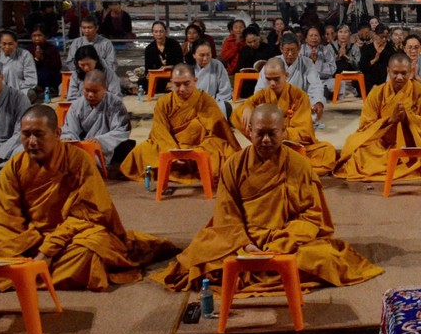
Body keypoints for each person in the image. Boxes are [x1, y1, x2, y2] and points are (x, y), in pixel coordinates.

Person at [150, 103, 382, 295]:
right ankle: (268, 265)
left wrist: (282, 242)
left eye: (273, 133)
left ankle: (268, 263)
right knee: (197, 258)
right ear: (249, 131)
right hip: (241, 237)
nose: (266, 140)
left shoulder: (298, 164)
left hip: (285, 237)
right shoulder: (234, 165)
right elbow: (226, 213)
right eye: (260, 133)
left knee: (325, 258)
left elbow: (312, 215)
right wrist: (244, 243)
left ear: (283, 132)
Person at [0, 105, 173, 291]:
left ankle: (28, 273)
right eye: (26, 134)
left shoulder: (78, 161)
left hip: (70, 237)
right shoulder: (14, 167)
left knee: (90, 249)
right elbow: (4, 217)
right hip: (29, 239)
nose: (32, 142)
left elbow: (90, 213)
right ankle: (31, 271)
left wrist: (48, 250)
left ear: (57, 133)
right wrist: (29, 244)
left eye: (39, 134)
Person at [334, 53, 421, 181]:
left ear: (411, 71)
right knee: (356, 150)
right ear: (388, 71)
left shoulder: (420, 92)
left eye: (404, 73)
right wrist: (390, 120)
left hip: (413, 144)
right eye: (395, 73)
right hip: (382, 143)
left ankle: (393, 166)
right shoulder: (377, 93)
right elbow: (365, 126)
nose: (399, 77)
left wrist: (408, 119)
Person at [120, 63, 241, 185]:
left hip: (199, 146)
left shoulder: (205, 100)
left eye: (187, 84)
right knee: (142, 150)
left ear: (195, 81)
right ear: (171, 82)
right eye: (177, 85)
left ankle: (181, 167)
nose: (182, 89)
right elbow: (160, 131)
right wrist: (173, 152)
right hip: (171, 145)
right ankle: (177, 165)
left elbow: (218, 131)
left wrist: (199, 147)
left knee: (223, 151)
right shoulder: (164, 102)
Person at [232, 57, 335, 175]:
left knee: (327, 151)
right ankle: (285, 165)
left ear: (286, 75)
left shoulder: (299, 96)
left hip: (293, 146)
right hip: (267, 146)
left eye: (276, 79)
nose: (272, 83)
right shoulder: (262, 95)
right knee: (240, 115)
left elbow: (305, 131)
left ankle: (277, 165)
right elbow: (239, 114)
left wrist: (280, 135)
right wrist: (247, 107)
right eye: (268, 79)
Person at [61, 70, 135, 166]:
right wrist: (69, 139)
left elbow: (121, 130)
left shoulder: (115, 103)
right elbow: (69, 129)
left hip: (109, 145)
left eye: (95, 91)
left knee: (126, 150)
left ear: (105, 89)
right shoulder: (76, 105)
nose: (90, 95)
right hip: (84, 145)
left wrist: (100, 140)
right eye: (87, 90)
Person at [254, 33, 326, 111]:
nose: (290, 54)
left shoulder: (307, 63)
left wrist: (318, 102)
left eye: (293, 50)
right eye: (287, 50)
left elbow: (316, 85)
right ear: (281, 49)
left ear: (299, 49)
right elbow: (260, 88)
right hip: (275, 106)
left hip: (299, 105)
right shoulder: (272, 63)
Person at [0, 64, 31, 170]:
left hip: (12, 146)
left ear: (1, 77)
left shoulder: (19, 98)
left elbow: (21, 132)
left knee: (23, 153)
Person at [193, 41, 232, 118]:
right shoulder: (188, 68)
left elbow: (225, 90)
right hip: (193, 104)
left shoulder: (217, 65)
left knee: (225, 107)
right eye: (202, 55)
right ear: (194, 55)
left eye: (208, 55)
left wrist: (212, 104)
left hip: (214, 103)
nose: (205, 58)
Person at [141, 20, 183, 94]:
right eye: (156, 32)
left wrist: (169, 67)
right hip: (159, 77)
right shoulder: (149, 49)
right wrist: (148, 74)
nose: (159, 34)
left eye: (161, 31)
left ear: (165, 32)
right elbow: (148, 68)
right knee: (142, 82)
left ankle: (168, 86)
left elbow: (180, 64)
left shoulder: (174, 44)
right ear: (152, 33)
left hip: (173, 74)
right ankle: (168, 86)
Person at [0, 29, 37, 99]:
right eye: (4, 44)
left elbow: (31, 80)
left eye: (10, 44)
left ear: (16, 43)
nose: (7, 47)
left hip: (20, 89)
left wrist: (14, 85)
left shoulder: (25, 55)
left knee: (30, 94)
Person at [359, 24, 396, 90]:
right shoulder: (367, 48)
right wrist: (374, 60)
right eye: (381, 37)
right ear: (375, 35)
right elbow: (362, 66)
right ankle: (374, 88)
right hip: (371, 77)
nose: (384, 39)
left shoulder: (390, 48)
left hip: (385, 76)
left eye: (386, 37)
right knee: (359, 80)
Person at [29, 24, 62, 94]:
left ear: (45, 37)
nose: (37, 38)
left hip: (50, 76)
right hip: (34, 76)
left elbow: (57, 66)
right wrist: (36, 59)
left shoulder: (52, 49)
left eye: (39, 35)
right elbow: (27, 68)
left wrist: (42, 58)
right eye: (34, 36)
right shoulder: (28, 50)